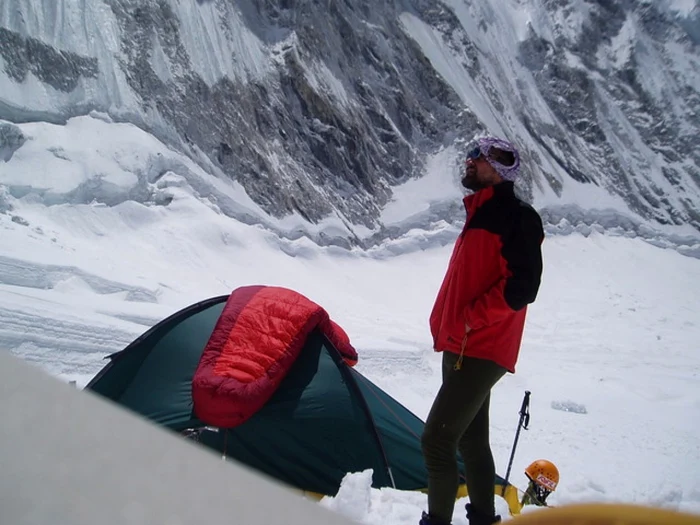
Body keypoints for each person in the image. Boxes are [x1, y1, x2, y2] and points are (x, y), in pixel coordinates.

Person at [420, 137, 545, 525]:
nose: (469, 160)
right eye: (470, 153)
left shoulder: (516, 217)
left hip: (480, 347)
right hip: (462, 345)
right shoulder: (481, 212)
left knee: (436, 442)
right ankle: (484, 519)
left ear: (499, 167)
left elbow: (522, 287)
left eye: (478, 156)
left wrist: (472, 318)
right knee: (473, 443)